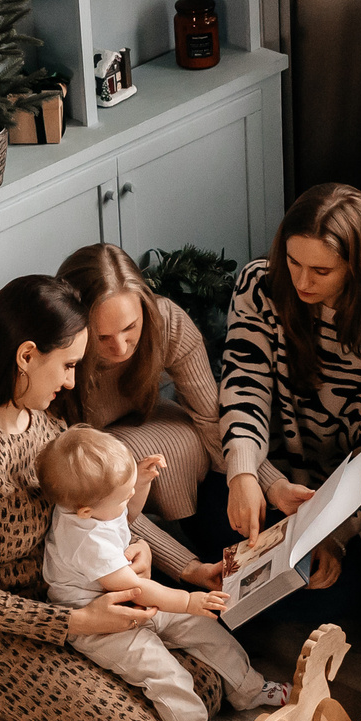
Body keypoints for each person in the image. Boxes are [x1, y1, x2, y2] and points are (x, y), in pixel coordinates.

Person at [0, 276, 234, 721]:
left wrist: (139, 553)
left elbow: (102, 513)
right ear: (25, 356)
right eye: (67, 365)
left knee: (206, 683)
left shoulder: (46, 426)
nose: (69, 381)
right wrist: (79, 623)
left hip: (72, 603)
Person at [37, 425, 287, 721]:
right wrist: (188, 600)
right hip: (103, 625)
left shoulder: (94, 510)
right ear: (85, 511)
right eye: (120, 498)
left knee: (205, 630)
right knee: (167, 676)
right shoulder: (83, 541)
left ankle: (249, 687)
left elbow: (127, 518)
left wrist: (137, 485)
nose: (125, 504)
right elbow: (136, 589)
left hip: (132, 602)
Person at [216, 184, 361, 642]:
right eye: (293, 262)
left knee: (345, 596)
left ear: (355, 267)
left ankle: (221, 600)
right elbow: (244, 385)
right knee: (230, 555)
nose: (302, 281)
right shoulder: (260, 285)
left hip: (322, 503)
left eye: (321, 270)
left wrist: (335, 535)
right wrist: (243, 475)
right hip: (261, 473)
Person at [55, 244, 226, 577]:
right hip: (103, 497)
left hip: (173, 454)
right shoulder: (59, 364)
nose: (119, 348)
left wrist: (261, 482)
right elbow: (87, 503)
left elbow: (211, 420)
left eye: (129, 328)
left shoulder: (165, 322)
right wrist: (186, 566)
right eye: (101, 337)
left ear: (145, 307)